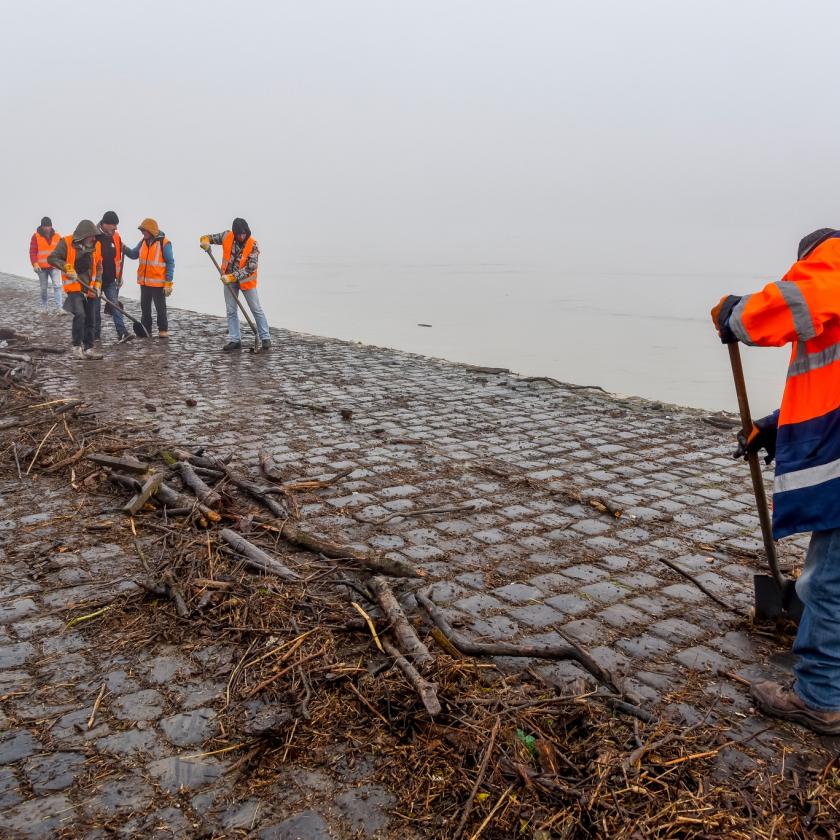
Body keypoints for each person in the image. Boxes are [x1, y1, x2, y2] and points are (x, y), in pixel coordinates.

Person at [712, 227, 840, 735]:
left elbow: (786, 307)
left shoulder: (835, 258)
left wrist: (734, 315)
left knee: (828, 582)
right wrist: (774, 426)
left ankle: (819, 696)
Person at [200, 218, 271, 350]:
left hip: (246, 281)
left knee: (256, 309)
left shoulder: (253, 244)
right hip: (228, 280)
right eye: (239, 234)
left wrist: (233, 276)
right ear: (234, 232)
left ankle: (265, 337)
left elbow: (251, 268)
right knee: (231, 310)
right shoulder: (227, 236)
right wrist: (205, 241)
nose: (241, 236)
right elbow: (209, 238)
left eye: (243, 233)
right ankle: (235, 340)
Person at [46, 220, 103, 360]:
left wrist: (98, 284)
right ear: (84, 235)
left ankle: (89, 348)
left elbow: (99, 266)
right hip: (74, 287)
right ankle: (77, 347)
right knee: (80, 315)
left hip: (91, 288)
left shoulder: (97, 245)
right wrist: (66, 267)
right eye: (92, 236)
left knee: (91, 318)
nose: (94, 238)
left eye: (95, 236)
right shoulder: (66, 242)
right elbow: (51, 258)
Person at [122, 218, 174, 338]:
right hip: (144, 282)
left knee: (160, 308)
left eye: (144, 230)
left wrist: (168, 282)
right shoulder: (143, 242)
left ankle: (163, 330)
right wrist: (123, 248)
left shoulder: (164, 243)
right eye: (142, 230)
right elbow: (134, 254)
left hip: (158, 283)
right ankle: (147, 329)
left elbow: (170, 263)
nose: (142, 233)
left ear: (151, 231)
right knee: (145, 308)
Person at [94, 210, 133, 343]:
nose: (116, 228)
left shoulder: (115, 236)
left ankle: (122, 333)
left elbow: (117, 258)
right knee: (95, 309)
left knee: (115, 306)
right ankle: (95, 335)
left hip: (111, 280)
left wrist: (119, 276)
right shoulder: (93, 235)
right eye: (113, 225)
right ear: (105, 224)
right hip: (95, 281)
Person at [29, 216, 63, 312]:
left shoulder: (57, 236)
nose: (47, 228)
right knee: (44, 288)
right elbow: (33, 251)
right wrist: (35, 263)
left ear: (51, 226)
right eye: (45, 226)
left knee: (57, 286)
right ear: (42, 226)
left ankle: (59, 308)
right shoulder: (36, 236)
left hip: (55, 266)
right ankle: (44, 306)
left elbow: (63, 251)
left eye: (48, 226)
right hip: (41, 268)